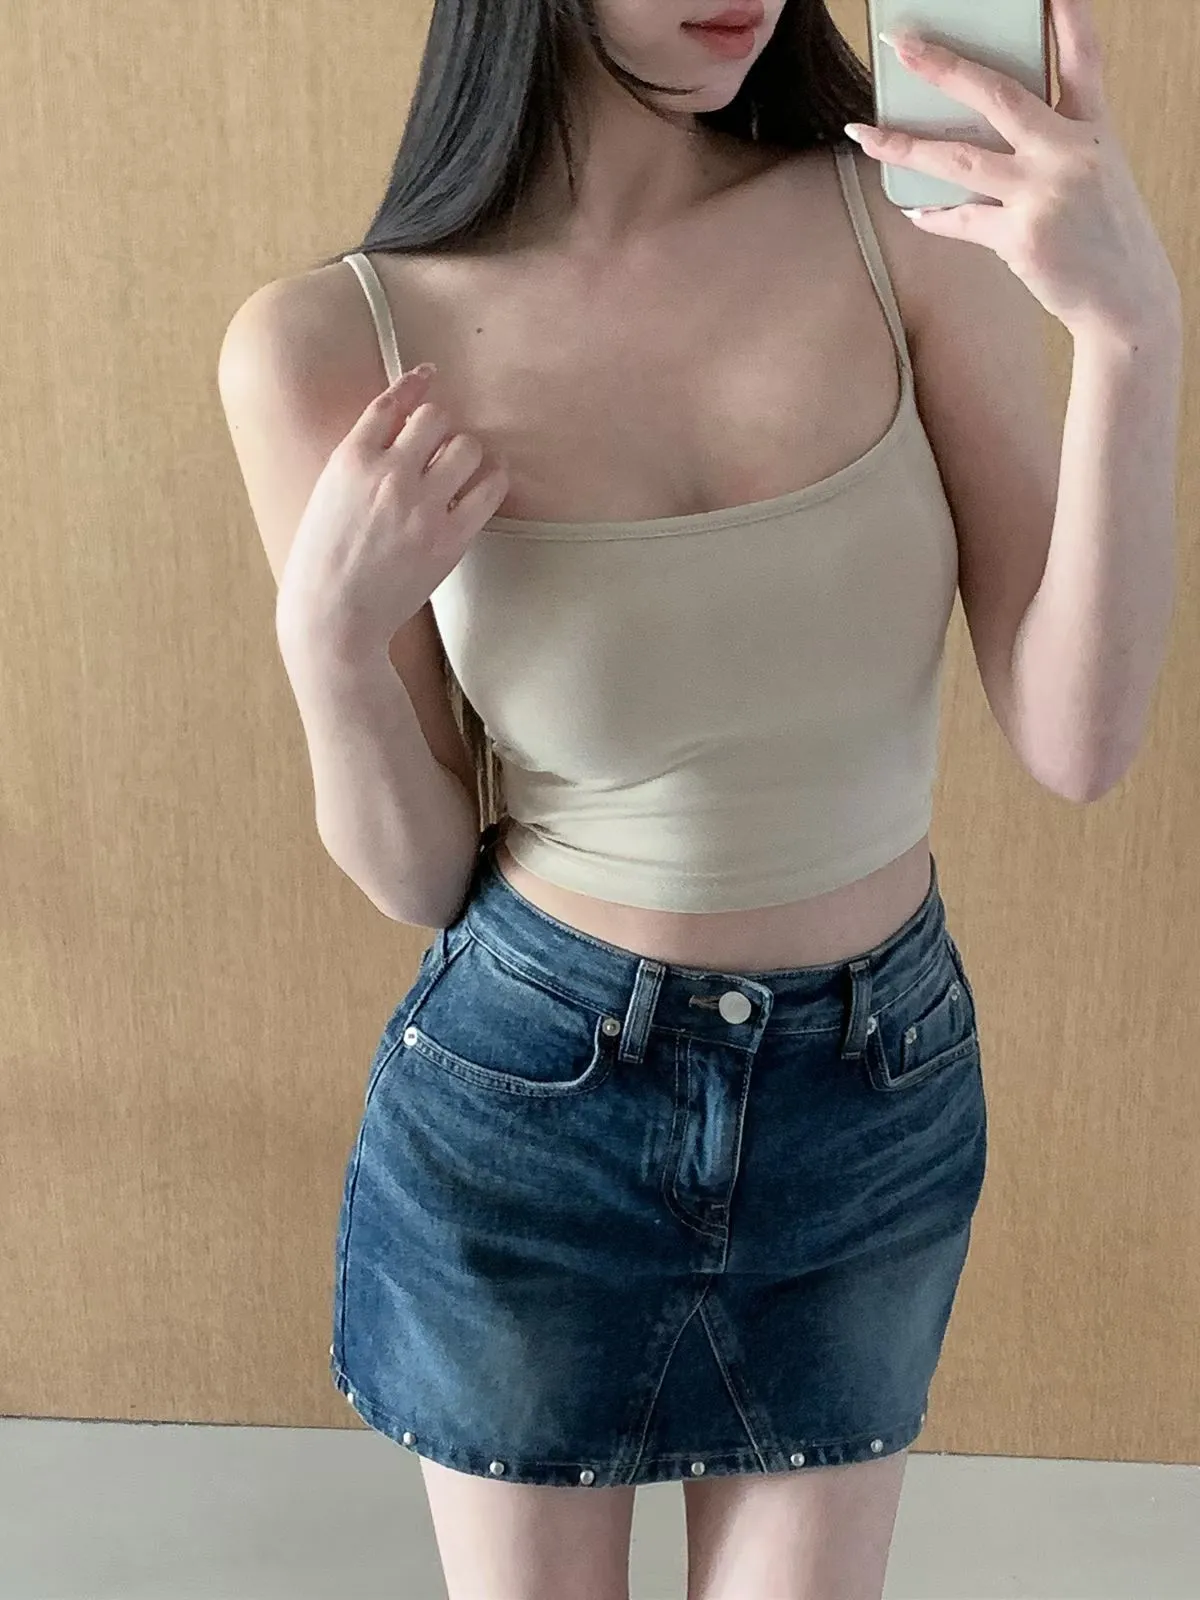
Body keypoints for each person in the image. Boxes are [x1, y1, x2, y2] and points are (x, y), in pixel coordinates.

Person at [217, 1, 1181, 1596]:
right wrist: (327, 646)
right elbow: (419, 874)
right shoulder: (329, 344)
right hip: (534, 1108)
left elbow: (1078, 742)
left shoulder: (905, 227)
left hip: (868, 1099)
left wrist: (1133, 333)